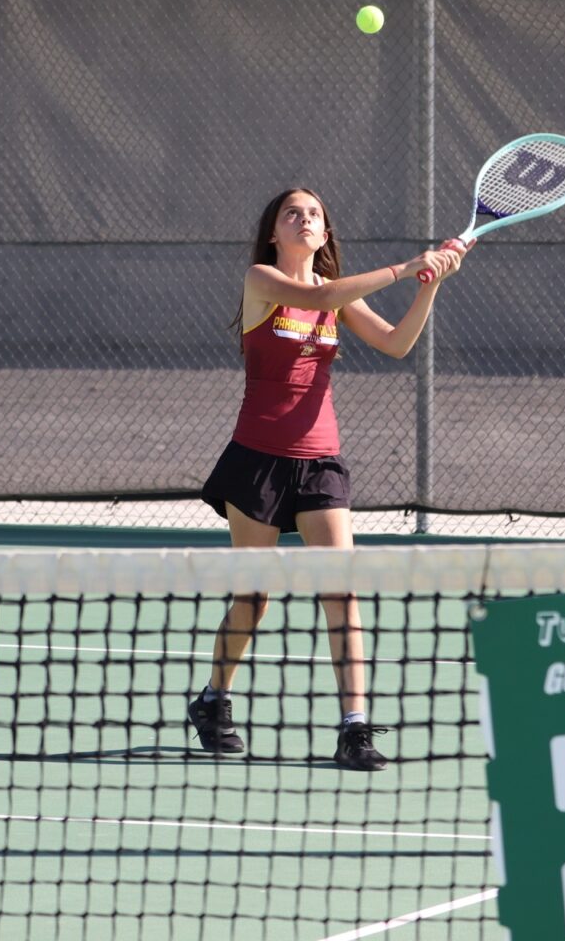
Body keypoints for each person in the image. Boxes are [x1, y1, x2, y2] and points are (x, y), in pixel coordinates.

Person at [192, 187, 462, 771]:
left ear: (325, 232)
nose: (305, 219)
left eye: (314, 213)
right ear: (274, 233)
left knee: (342, 591)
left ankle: (354, 728)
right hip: (256, 460)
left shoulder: (338, 296)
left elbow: (396, 343)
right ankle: (213, 699)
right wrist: (405, 267)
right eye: (293, 213)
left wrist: (430, 284)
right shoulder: (263, 280)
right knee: (253, 598)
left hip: (321, 462)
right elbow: (326, 294)